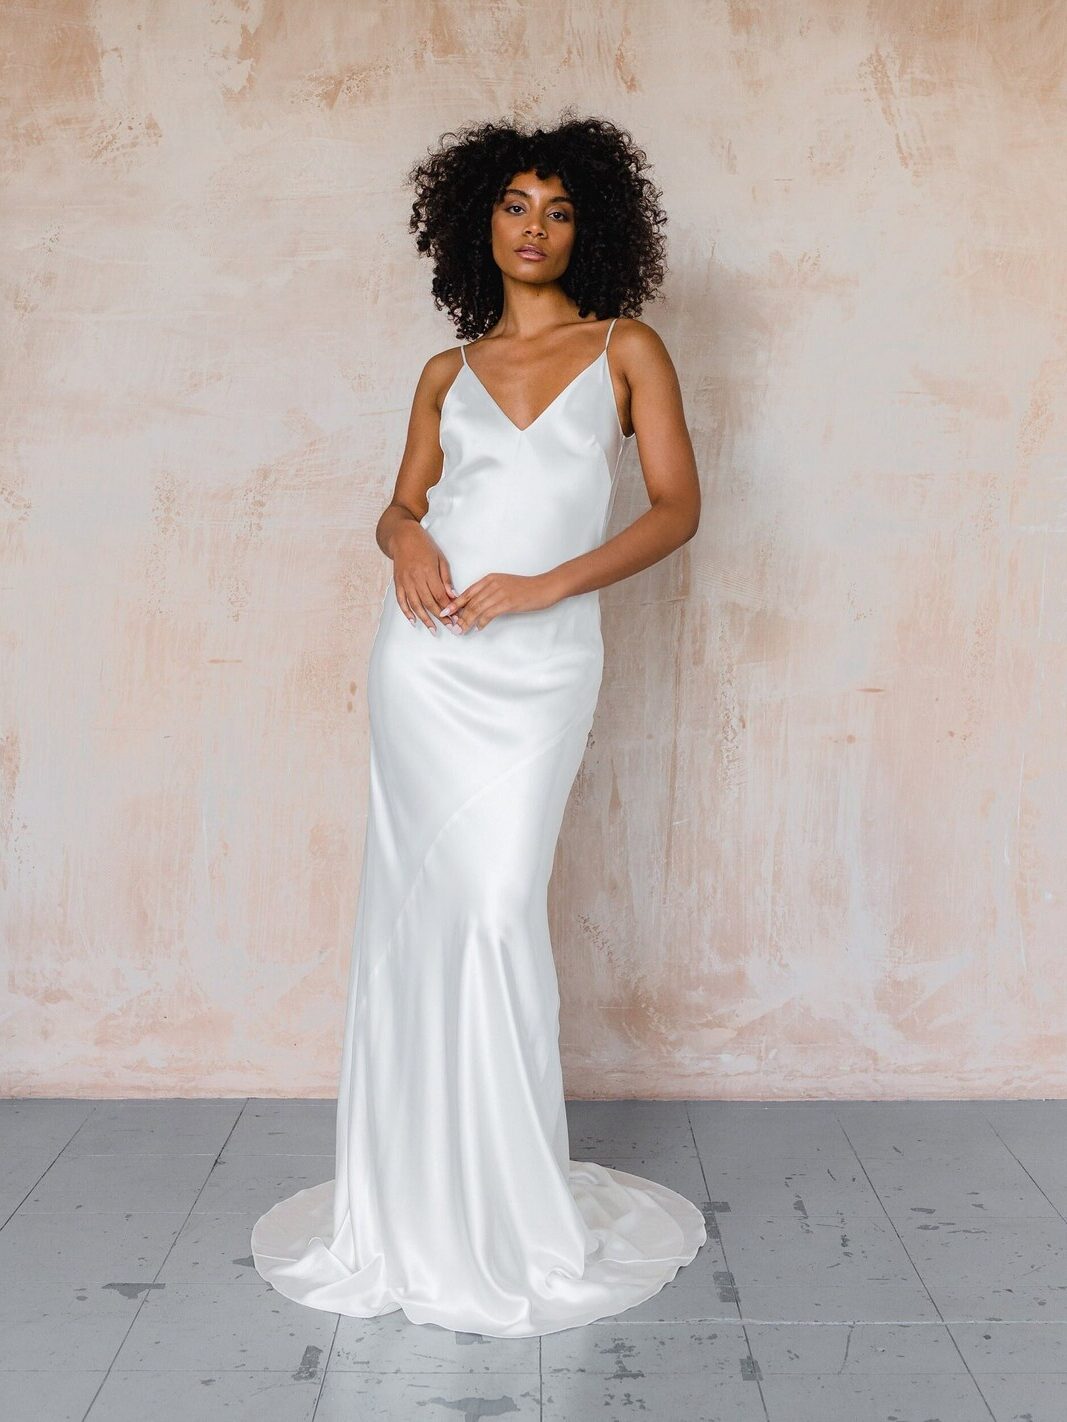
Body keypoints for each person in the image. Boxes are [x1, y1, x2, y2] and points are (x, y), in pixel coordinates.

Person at [251, 112, 705, 1339]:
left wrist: (546, 583)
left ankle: (507, 1207)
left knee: (498, 906)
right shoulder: (444, 373)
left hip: (541, 665)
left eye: (558, 209)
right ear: (476, 224)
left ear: (589, 227)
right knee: (416, 917)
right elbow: (397, 506)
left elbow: (673, 510)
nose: (535, 228)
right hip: (427, 665)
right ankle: (412, 1201)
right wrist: (407, 546)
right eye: (514, 204)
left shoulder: (628, 349)